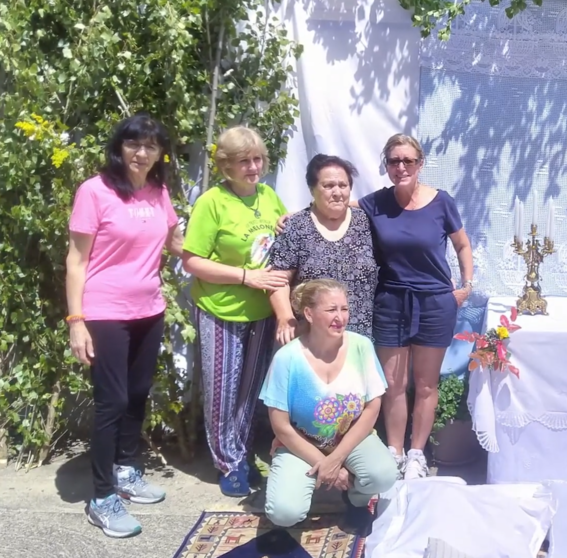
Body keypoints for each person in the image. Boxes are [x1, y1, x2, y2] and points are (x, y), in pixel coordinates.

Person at [66, 113, 183, 538]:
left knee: (136, 394)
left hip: (149, 309)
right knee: (111, 401)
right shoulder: (94, 192)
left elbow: (173, 239)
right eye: (134, 144)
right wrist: (76, 321)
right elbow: (76, 261)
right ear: (119, 148)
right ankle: (101, 497)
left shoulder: (158, 191)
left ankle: (126, 470)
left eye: (150, 146)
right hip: (104, 311)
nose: (141, 153)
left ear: (159, 153)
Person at [181, 126, 290, 497]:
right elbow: (192, 260)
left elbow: (282, 237)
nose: (253, 166)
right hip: (221, 309)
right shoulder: (212, 201)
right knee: (222, 391)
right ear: (226, 165)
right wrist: (245, 276)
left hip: (262, 311)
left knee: (248, 392)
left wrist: (284, 224)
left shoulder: (268, 196)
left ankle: (239, 454)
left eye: (257, 158)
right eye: (244, 160)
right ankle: (226, 462)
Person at [358, 134, 474, 480]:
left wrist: (466, 286)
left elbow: (462, 245)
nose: (401, 167)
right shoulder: (375, 203)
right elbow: (335, 206)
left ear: (420, 164)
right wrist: (291, 217)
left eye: (408, 160)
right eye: (394, 161)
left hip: (435, 303)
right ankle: (394, 452)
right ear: (386, 165)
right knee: (393, 384)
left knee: (425, 385)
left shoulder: (442, 202)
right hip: (391, 301)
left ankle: (417, 454)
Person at [262, 279, 397, 533]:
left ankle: (356, 501)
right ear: (309, 314)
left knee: (383, 475)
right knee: (283, 512)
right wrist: (327, 466)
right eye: (331, 310)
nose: (340, 317)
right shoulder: (286, 358)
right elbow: (281, 426)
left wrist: (336, 459)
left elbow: (372, 408)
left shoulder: (361, 346)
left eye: (344, 309)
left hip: (350, 438)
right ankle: (303, 491)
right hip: (300, 443)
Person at [268, 154, 377, 345]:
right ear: (312, 189)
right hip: (310, 338)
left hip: (359, 338)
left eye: (343, 185)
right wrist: (285, 317)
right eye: (328, 186)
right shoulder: (296, 226)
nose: (337, 192)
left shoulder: (365, 222)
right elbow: (278, 279)